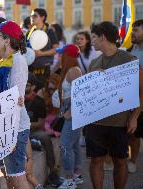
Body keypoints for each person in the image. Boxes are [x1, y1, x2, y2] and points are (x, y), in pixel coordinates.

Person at [86, 21, 143, 189]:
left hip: (120, 123)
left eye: (94, 38)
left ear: (103, 37)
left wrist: (134, 117)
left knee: (120, 160)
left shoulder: (129, 59)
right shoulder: (93, 64)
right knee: (96, 160)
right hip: (95, 122)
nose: (92, 41)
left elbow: (141, 91)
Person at [0, 20, 31, 189]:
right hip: (3, 126)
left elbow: (15, 101)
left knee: (17, 179)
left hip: (14, 128)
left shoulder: (17, 61)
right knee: (11, 178)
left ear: (7, 40)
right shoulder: (1, 62)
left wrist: (10, 136)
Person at [53, 44, 83, 189]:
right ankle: (76, 175)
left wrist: (70, 111)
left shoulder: (73, 71)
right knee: (74, 144)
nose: (59, 56)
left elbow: (81, 95)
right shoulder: (70, 70)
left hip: (72, 112)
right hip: (69, 110)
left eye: (61, 54)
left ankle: (69, 179)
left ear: (68, 56)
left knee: (65, 145)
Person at [24, 75, 62, 187]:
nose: (25, 87)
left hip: (30, 131)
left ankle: (52, 172)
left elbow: (40, 124)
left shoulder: (39, 101)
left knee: (45, 137)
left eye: (28, 85)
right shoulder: (16, 97)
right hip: (15, 133)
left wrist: (26, 125)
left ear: (33, 87)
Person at [27, 8, 59, 85]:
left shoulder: (49, 31)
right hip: (30, 69)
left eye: (35, 16)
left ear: (43, 17)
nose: (32, 18)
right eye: (31, 16)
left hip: (44, 69)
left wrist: (41, 53)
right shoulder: (28, 33)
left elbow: (56, 49)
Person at [128, 19, 143, 173]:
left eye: (136, 30)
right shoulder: (130, 50)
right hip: (135, 100)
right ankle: (132, 161)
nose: (132, 33)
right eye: (132, 29)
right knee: (134, 133)